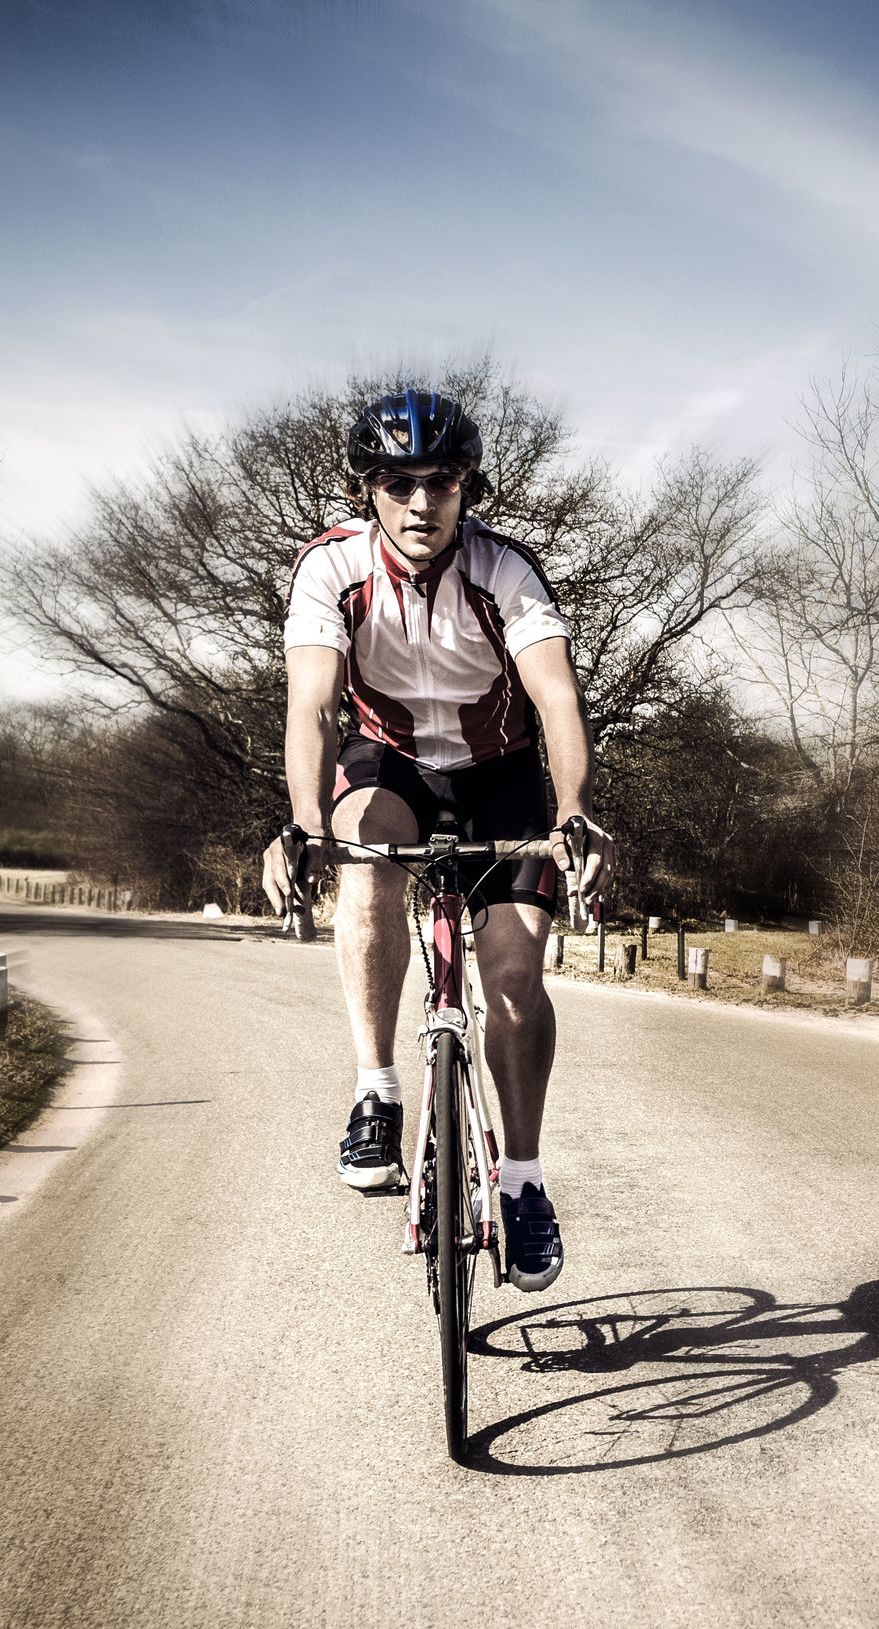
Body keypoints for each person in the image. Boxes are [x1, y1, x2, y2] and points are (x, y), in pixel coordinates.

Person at [262, 387, 614, 1292]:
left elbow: (558, 701)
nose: (423, 504)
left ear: (468, 487)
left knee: (515, 981)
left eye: (444, 482)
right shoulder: (330, 571)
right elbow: (311, 706)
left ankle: (525, 1180)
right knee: (365, 854)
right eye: (399, 483)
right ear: (367, 489)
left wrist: (571, 811)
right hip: (391, 766)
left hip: (500, 775)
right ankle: (377, 1089)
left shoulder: (506, 572)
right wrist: (303, 826)